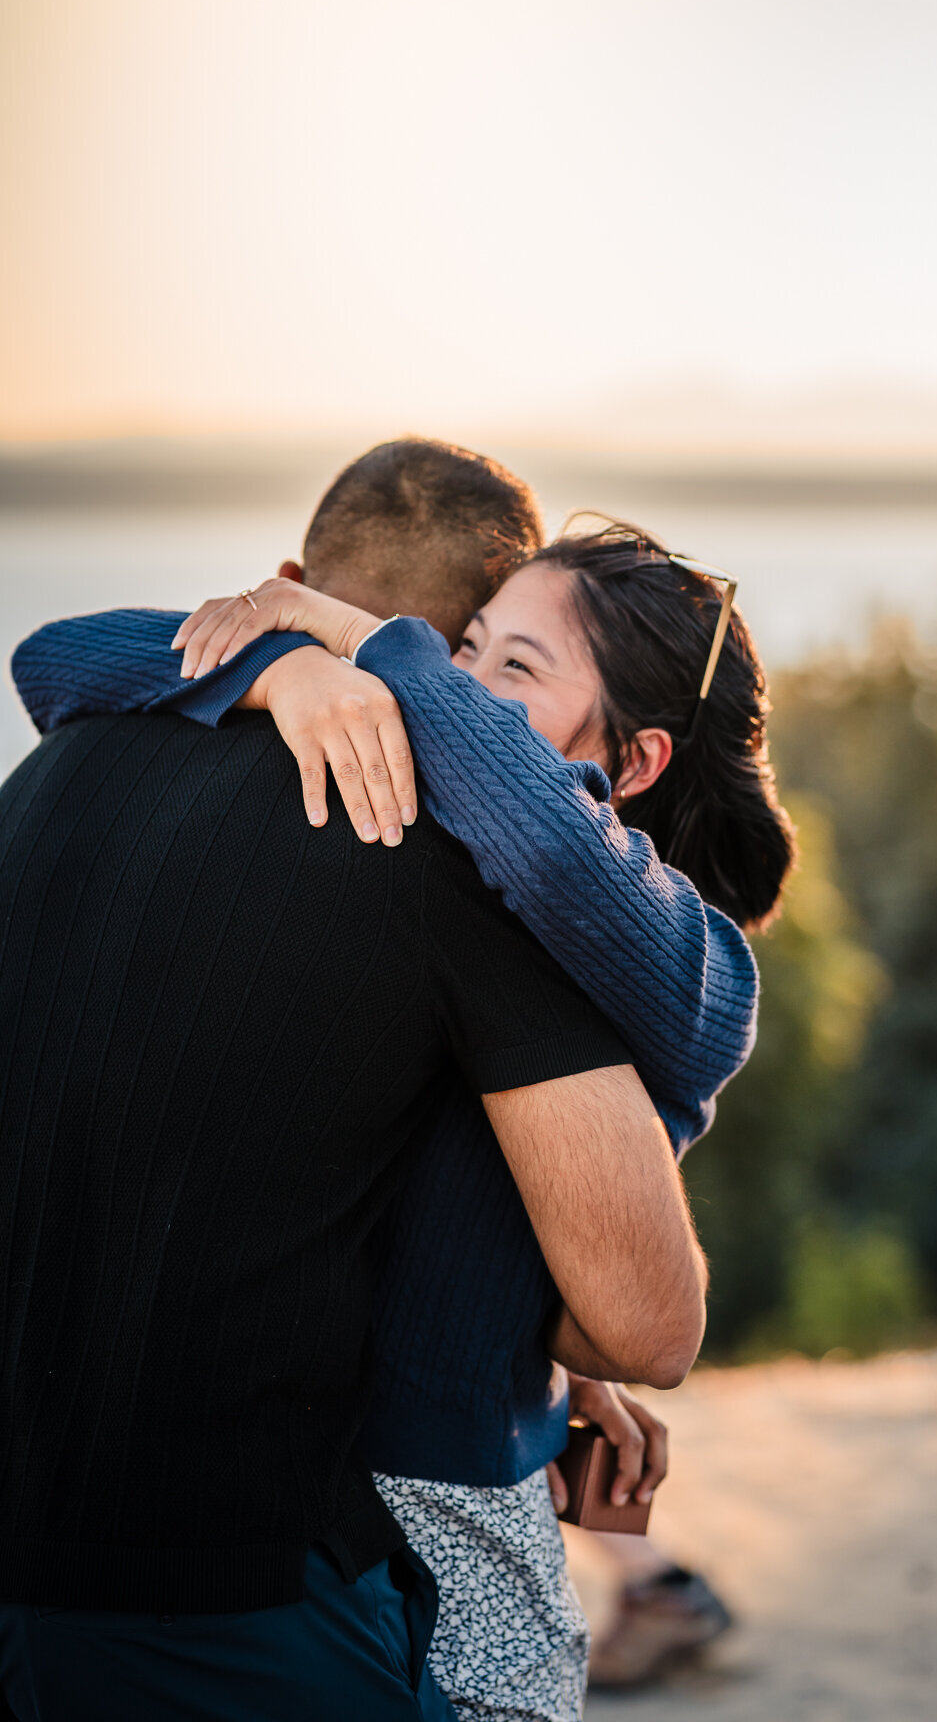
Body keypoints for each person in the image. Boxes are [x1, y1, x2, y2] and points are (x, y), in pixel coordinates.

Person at [12, 459, 793, 1718]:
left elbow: (636, 1317)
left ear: (637, 762)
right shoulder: (439, 859)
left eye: (511, 670)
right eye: (467, 651)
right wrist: (276, 663)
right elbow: (53, 653)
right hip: (303, 1539)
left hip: (316, 1528)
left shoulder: (661, 940)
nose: (453, 692)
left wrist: (344, 649)